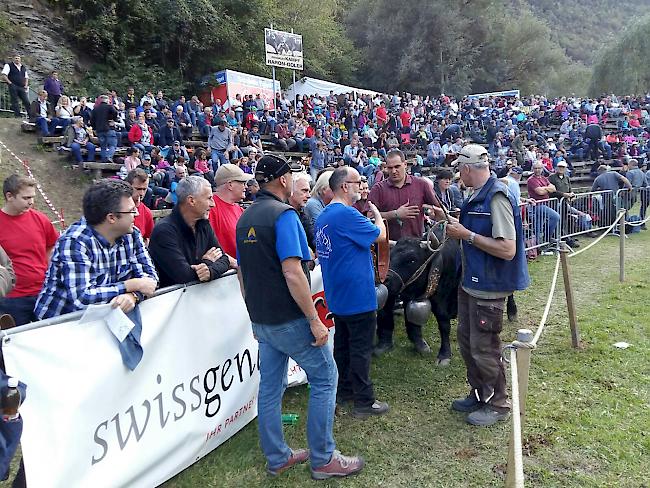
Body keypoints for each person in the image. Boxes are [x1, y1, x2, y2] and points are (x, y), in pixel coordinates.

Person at [235, 154, 364, 480]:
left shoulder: (244, 217)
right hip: (290, 318)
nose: (294, 182)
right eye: (291, 176)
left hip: (263, 320)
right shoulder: (284, 216)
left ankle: (277, 456)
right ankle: (323, 458)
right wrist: (313, 319)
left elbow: (242, 275)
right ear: (282, 180)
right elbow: (293, 272)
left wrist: (253, 315)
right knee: (325, 378)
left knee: (270, 388)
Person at [445, 144, 530, 426]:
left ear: (467, 169)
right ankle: (479, 392)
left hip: (490, 286)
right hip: (472, 282)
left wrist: (466, 235)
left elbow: (507, 249)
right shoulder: (478, 195)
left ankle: (498, 402)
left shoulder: (496, 197)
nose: (458, 173)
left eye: (460, 168)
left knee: (485, 347)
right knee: (469, 343)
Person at [315, 167, 389, 419]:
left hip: (338, 293)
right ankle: (364, 401)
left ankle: (344, 390)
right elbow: (380, 235)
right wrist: (377, 215)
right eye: (358, 182)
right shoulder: (347, 214)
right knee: (360, 348)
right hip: (357, 295)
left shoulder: (324, 215)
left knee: (344, 346)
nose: (362, 186)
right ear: (345, 186)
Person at [34, 180, 158, 320]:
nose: (136, 214)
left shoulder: (132, 235)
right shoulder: (74, 242)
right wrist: (131, 285)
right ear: (111, 218)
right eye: (131, 211)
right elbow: (82, 298)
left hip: (101, 323)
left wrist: (134, 295)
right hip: (59, 326)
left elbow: (150, 279)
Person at [368, 149, 443, 355]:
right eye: (389, 167)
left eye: (397, 167)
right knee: (386, 297)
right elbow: (368, 217)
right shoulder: (379, 189)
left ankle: (416, 338)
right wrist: (395, 214)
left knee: (416, 296)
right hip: (388, 251)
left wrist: (437, 215)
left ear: (405, 165)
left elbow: (438, 209)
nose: (393, 171)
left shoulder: (421, 185)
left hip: (415, 254)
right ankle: (385, 339)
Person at [149, 176, 231, 288]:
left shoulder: (203, 224)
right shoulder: (164, 231)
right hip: (173, 302)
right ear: (191, 201)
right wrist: (207, 262)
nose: (213, 204)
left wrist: (210, 271)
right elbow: (183, 275)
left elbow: (224, 260)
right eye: (209, 198)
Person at [0, 176, 59, 325]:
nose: (31, 202)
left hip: (44, 292)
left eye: (32, 197)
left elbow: (52, 246)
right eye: (26, 198)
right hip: (12, 298)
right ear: (9, 196)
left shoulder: (40, 219)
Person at [207, 164, 253, 259]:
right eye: (243, 183)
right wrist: (231, 262)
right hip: (226, 271)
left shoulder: (240, 209)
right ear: (230, 185)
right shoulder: (210, 208)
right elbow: (208, 246)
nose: (246, 187)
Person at [288, 172, 316, 251]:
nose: (309, 195)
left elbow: (313, 237)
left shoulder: (302, 214)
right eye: (304, 191)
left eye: (308, 191)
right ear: (291, 190)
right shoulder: (281, 214)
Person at [126, 169, 154, 245]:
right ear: (128, 186)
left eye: (144, 189)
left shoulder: (147, 213)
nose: (141, 193)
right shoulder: (116, 208)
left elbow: (147, 239)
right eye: (138, 189)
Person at [90, 94, 119, 163]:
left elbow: (92, 120)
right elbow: (115, 112)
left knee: (103, 147)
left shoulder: (95, 109)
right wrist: (113, 119)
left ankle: (104, 160)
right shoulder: (109, 107)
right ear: (107, 100)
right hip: (109, 129)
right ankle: (108, 156)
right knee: (113, 145)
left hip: (99, 130)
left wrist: (94, 128)